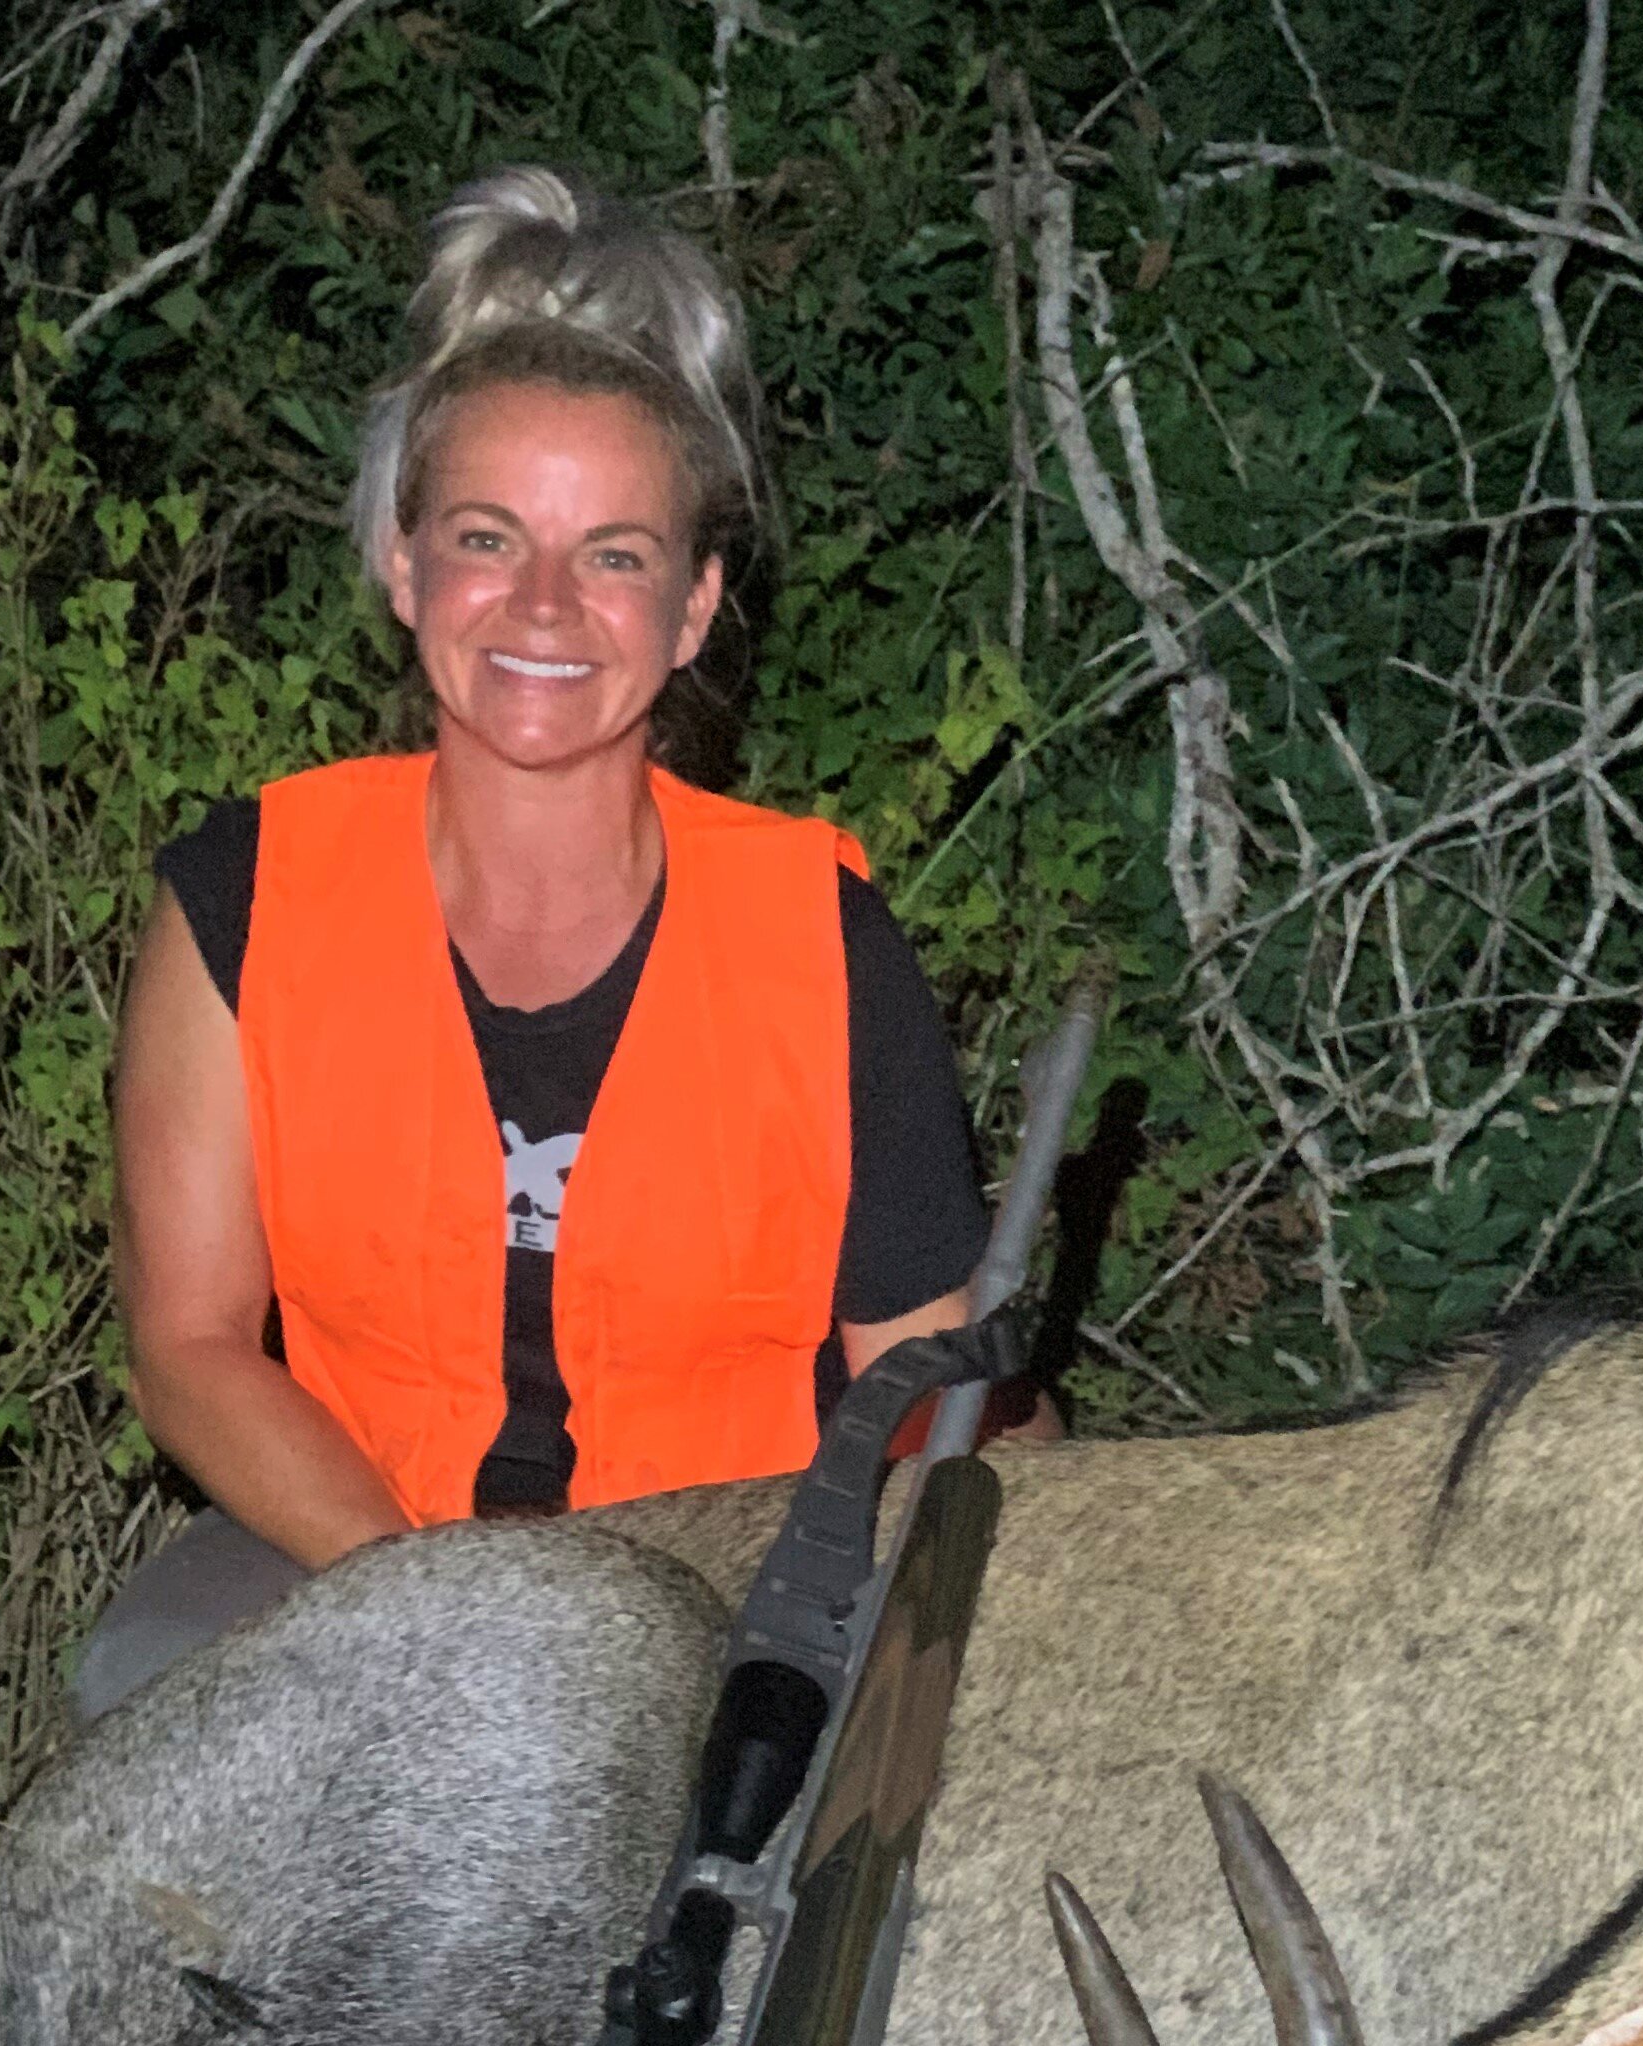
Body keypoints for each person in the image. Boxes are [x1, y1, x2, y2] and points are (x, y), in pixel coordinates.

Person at [77, 167, 1009, 1718]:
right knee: (142, 1688)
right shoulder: (247, 897)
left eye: (620, 555)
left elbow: (920, 1387)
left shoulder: (818, 939)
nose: (549, 607)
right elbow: (189, 1347)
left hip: (723, 1584)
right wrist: (438, 1606)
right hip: (352, 1549)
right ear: (404, 562)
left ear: (697, 608)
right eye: (490, 538)